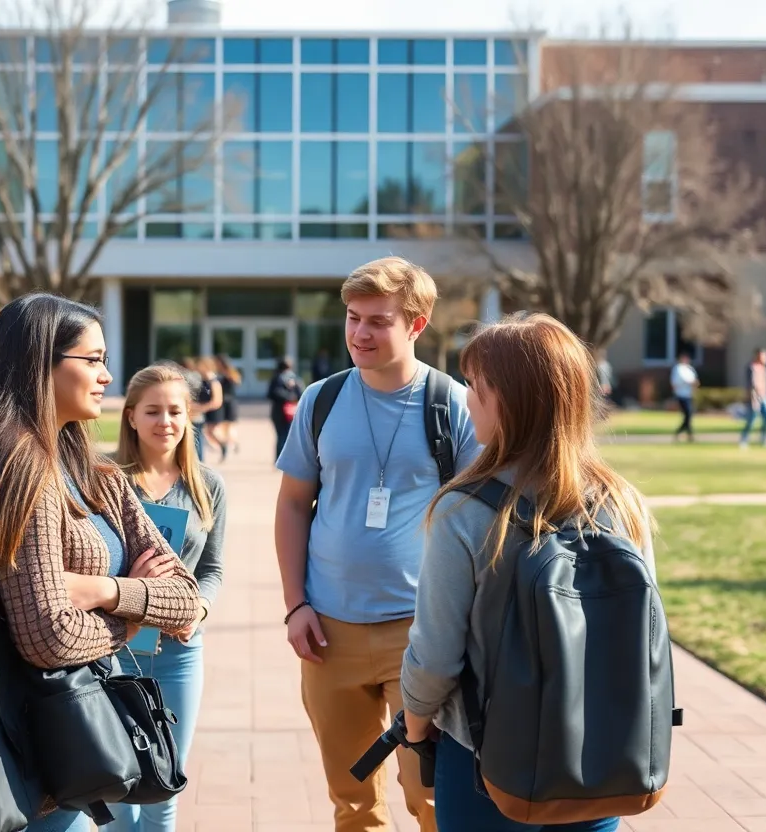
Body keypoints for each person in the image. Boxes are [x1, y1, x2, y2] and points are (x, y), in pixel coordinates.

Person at [0, 294, 202, 832]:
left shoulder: (93, 472)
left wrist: (106, 590)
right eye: (93, 359)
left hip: (55, 740)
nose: (106, 375)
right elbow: (48, 636)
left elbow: (188, 599)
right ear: (41, 364)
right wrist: (134, 616)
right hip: (30, 747)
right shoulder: (16, 467)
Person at [400, 312, 656, 832]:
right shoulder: (621, 502)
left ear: (512, 401)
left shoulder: (464, 510)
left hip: (486, 756)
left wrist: (416, 723)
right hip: (600, 749)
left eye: (478, 386)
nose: (468, 399)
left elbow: (436, 655)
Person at [274, 256, 478, 832]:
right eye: (352, 317)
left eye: (377, 321)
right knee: (353, 802)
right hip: (327, 633)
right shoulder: (321, 400)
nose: (360, 333)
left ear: (416, 324)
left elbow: (477, 522)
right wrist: (294, 605)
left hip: (421, 633)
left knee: (433, 798)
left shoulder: (453, 405)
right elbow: (292, 506)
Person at [108, 361, 228, 832]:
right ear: (131, 416)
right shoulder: (106, 479)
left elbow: (213, 569)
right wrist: (133, 588)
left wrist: (198, 609)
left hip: (179, 653)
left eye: (175, 411)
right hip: (115, 652)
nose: (166, 422)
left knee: (163, 793)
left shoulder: (208, 486)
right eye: (153, 411)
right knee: (120, 795)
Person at [265, 357, 303, 463]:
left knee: (286, 436)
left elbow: (301, 393)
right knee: (283, 435)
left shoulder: (293, 379)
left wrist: (294, 387)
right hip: (281, 412)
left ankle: (284, 459)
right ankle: (281, 459)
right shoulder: (277, 378)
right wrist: (290, 396)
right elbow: (272, 393)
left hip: (289, 412)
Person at [739, 347, 766, 449]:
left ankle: (764, 438)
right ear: (758, 356)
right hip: (754, 398)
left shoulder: (764, 368)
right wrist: (752, 397)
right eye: (764, 356)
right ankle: (744, 439)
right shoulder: (752, 367)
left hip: (765, 397)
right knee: (752, 419)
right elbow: (751, 384)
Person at [212, 354, 242, 461]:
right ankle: (233, 443)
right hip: (228, 403)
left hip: (228, 403)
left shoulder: (227, 375)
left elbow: (230, 390)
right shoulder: (230, 374)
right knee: (226, 427)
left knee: (227, 427)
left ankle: (231, 444)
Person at [194, 357, 224, 461]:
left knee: (208, 432)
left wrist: (201, 408)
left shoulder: (214, 381)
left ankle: (222, 445)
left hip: (213, 411)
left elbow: (217, 401)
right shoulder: (202, 380)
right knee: (204, 433)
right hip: (203, 411)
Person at [670, 351, 699, 443]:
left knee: (689, 415)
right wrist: (692, 383)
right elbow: (684, 380)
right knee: (688, 413)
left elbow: (694, 380)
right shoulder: (678, 368)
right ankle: (685, 433)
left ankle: (687, 434)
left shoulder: (689, 368)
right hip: (681, 394)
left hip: (688, 394)